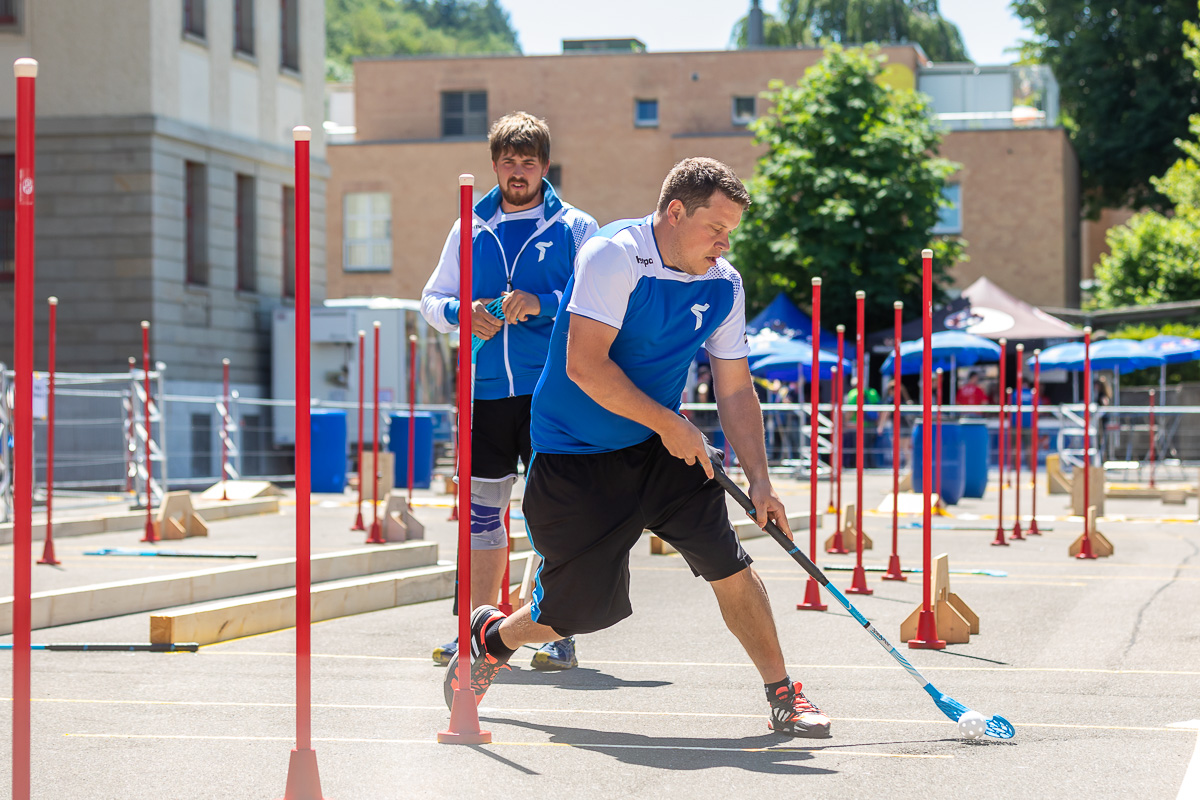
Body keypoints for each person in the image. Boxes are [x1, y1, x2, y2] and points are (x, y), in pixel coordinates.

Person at [443, 157, 832, 739]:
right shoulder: (613, 255)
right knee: (572, 614)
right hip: (575, 454)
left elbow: (734, 386)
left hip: (658, 447)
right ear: (675, 212)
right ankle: (493, 637)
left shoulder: (723, 283)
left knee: (729, 563)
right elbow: (584, 366)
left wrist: (762, 481)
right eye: (716, 229)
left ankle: (783, 694)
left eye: (731, 233)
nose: (725, 244)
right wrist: (673, 425)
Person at [420, 111, 597, 671]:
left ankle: (557, 631)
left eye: (528, 161)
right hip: (487, 394)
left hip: (555, 392)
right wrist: (461, 311)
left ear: (545, 166)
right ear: (494, 165)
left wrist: (542, 302)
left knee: (553, 516)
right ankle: (473, 630)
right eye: (508, 161)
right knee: (480, 516)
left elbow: (602, 303)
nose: (517, 171)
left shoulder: (576, 227)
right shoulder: (467, 227)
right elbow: (431, 302)